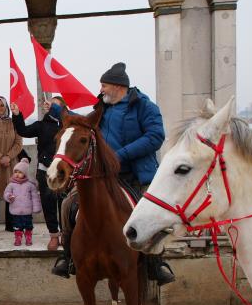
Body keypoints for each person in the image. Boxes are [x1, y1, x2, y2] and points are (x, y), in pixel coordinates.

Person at [52, 63, 175, 284]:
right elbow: (80, 123)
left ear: (119, 86)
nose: (101, 90)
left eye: (104, 85)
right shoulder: (102, 110)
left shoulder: (145, 106)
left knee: (153, 214)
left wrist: (121, 155)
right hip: (105, 176)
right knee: (67, 205)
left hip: (136, 176)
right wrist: (55, 109)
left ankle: (156, 264)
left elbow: (156, 136)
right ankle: (67, 256)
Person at [11, 96, 63, 251]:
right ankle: (54, 235)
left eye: (55, 105)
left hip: (64, 173)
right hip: (45, 171)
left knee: (65, 205)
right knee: (49, 205)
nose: (50, 106)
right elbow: (23, 130)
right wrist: (17, 114)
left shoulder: (68, 124)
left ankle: (66, 235)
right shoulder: (41, 125)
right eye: (49, 104)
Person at [0, 95, 23, 232]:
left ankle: (10, 224)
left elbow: (19, 144)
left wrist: (8, 157)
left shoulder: (14, 123)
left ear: (6, 107)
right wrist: (0, 157)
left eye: (2, 105)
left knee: (11, 192)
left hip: (11, 163)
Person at [2, 158, 41, 246]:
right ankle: (18, 238)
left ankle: (28, 237)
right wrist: (9, 197)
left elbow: (35, 197)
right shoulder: (11, 184)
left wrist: (36, 208)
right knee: (17, 226)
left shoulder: (30, 185)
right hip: (16, 211)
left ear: (25, 174)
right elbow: (6, 193)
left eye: (20, 172)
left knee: (28, 225)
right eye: (15, 172)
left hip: (27, 211)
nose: (17, 174)